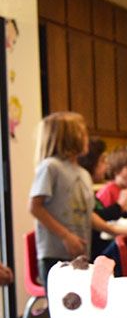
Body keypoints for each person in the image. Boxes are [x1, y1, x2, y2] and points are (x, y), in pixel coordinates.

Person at [29, 112, 95, 284]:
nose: (87, 137)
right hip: (55, 254)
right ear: (69, 137)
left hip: (80, 253)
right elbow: (35, 207)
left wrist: (116, 231)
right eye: (83, 132)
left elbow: (88, 214)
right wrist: (66, 236)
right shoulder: (51, 167)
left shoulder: (83, 173)